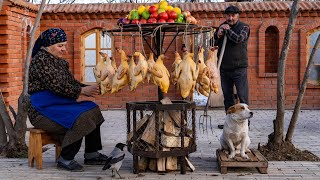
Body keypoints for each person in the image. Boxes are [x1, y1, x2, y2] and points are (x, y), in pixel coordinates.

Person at [28, 28, 108, 171]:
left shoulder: (60, 62)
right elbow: (56, 86)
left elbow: (70, 83)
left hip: (58, 105)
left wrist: (91, 88)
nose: (64, 49)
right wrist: (82, 90)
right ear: (47, 45)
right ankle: (65, 159)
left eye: (64, 45)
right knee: (80, 118)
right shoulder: (40, 60)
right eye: (60, 46)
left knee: (92, 109)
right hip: (42, 111)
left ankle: (91, 153)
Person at [213, 5, 250, 129]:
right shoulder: (222, 27)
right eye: (228, 15)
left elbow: (238, 39)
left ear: (238, 16)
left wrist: (227, 31)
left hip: (240, 68)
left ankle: (245, 124)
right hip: (225, 68)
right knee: (228, 97)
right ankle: (229, 123)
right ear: (225, 16)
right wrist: (217, 35)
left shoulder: (244, 27)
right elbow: (212, 44)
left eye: (233, 15)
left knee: (242, 95)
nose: (230, 18)